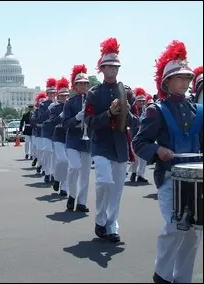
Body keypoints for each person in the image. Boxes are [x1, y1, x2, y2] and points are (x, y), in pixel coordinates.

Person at [132, 40, 203, 284]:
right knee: (175, 225)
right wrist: (158, 149)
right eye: (179, 77)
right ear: (167, 82)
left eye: (187, 77)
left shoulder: (198, 111)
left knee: (194, 233)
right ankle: (162, 275)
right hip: (169, 179)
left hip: (196, 182)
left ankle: (182, 279)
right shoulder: (156, 110)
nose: (184, 81)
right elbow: (139, 142)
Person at [84, 37, 138, 243]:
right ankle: (100, 219)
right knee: (104, 181)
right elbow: (89, 121)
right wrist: (108, 113)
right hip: (101, 144)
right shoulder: (93, 93)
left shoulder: (127, 92)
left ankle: (112, 224)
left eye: (116, 67)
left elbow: (135, 121)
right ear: (102, 68)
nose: (113, 70)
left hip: (120, 145)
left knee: (117, 189)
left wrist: (124, 110)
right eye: (109, 67)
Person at [62, 65, 92, 211]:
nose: (83, 86)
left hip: (87, 141)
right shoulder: (70, 102)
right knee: (74, 167)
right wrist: (77, 118)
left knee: (85, 174)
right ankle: (72, 195)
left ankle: (82, 202)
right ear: (75, 86)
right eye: (80, 83)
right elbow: (65, 123)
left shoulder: (93, 101)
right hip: (73, 140)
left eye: (85, 83)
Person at [49, 77, 70, 196]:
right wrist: (62, 114)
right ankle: (57, 177)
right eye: (62, 96)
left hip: (70, 136)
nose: (64, 98)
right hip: (58, 136)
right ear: (58, 97)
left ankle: (64, 187)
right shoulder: (55, 108)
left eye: (66, 95)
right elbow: (53, 121)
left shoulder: (72, 105)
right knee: (62, 160)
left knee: (69, 163)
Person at [38, 78, 58, 183]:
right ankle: (46, 171)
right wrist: (49, 109)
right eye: (50, 93)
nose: (52, 95)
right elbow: (40, 118)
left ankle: (54, 173)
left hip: (56, 132)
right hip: (46, 131)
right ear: (47, 94)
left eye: (54, 93)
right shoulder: (43, 105)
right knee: (48, 151)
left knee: (55, 154)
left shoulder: (59, 103)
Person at [128, 87, 149, 183]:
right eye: (139, 101)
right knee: (135, 158)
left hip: (143, 138)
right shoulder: (133, 110)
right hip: (134, 137)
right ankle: (133, 173)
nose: (141, 103)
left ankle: (140, 175)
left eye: (143, 101)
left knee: (143, 158)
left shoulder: (146, 111)